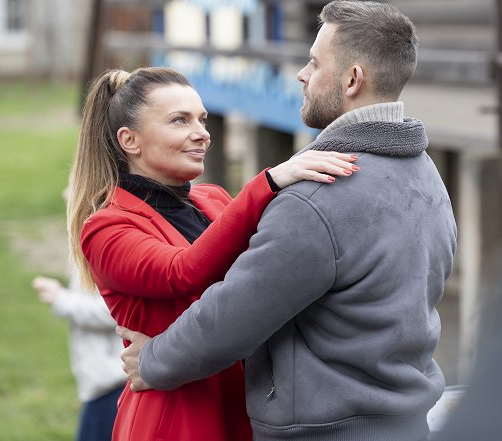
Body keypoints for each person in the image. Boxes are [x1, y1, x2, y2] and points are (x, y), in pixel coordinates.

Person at [118, 2, 457, 440]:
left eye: (315, 63)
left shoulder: (320, 195)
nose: (301, 74)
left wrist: (153, 361)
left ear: (353, 79)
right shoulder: (426, 176)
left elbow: (234, 314)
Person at [68, 65, 358, 441]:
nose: (202, 134)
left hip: (245, 403)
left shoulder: (214, 199)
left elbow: (273, 270)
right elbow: (182, 272)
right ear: (130, 140)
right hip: (177, 416)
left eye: (202, 120)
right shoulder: (106, 227)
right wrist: (268, 182)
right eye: (179, 120)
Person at [32, 267, 126, 441]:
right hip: (104, 378)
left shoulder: (105, 243)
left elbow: (117, 309)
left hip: (114, 378)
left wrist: (61, 299)